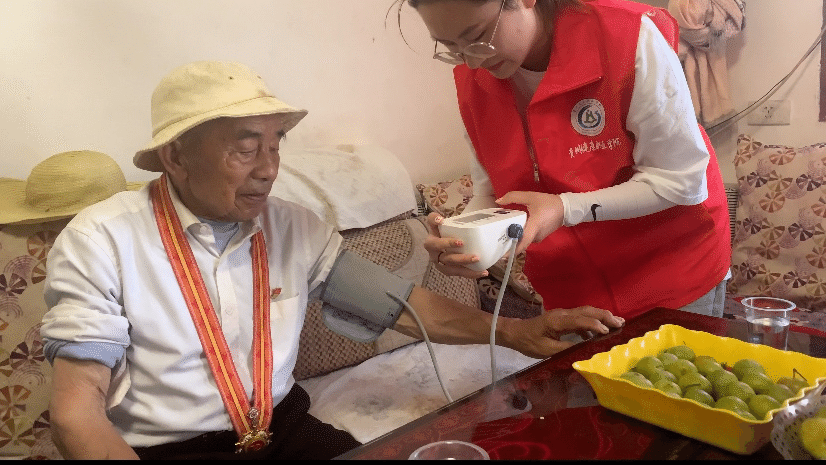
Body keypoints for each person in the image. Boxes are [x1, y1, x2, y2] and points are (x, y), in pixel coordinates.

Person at [39, 60, 624, 460]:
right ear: (175, 156)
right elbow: (75, 413)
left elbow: (404, 307)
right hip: (169, 450)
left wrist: (519, 333)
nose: (268, 169)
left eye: (275, 146)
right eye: (246, 147)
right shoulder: (101, 239)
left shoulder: (293, 225)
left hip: (283, 429)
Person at [402, 0, 731, 319]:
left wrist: (565, 208)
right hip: (572, 295)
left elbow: (681, 180)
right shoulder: (472, 82)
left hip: (673, 277)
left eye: (477, 37)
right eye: (451, 47)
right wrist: (461, 237)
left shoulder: (626, 37)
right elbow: (490, 194)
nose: (473, 62)